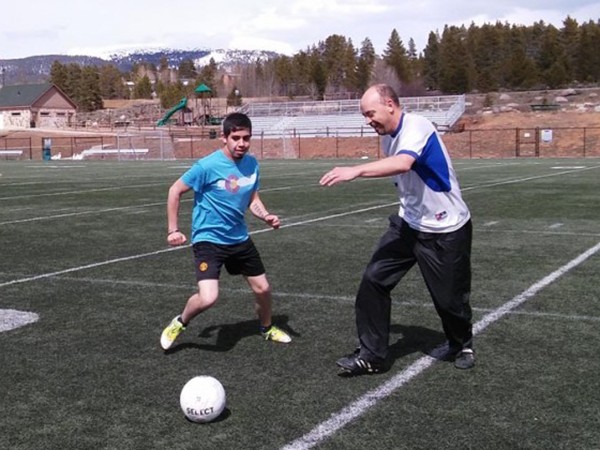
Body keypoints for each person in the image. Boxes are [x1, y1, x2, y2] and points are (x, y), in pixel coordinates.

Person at [319, 84, 474, 375]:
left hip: (445, 227)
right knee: (373, 281)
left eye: (370, 113)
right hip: (408, 225)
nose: (368, 121)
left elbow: (404, 164)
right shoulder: (388, 138)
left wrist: (356, 170)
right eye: (365, 115)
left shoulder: (418, 125)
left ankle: (461, 343)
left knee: (449, 299)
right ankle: (371, 355)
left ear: (390, 104)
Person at [160, 112, 291, 350]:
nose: (242, 143)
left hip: (239, 238)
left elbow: (252, 198)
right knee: (208, 298)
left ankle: (267, 328)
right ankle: (180, 321)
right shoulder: (207, 166)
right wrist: (173, 230)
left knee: (263, 289)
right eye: (236, 138)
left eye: (246, 138)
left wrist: (265, 216)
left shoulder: (252, 164)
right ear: (224, 137)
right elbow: (174, 190)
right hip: (208, 240)